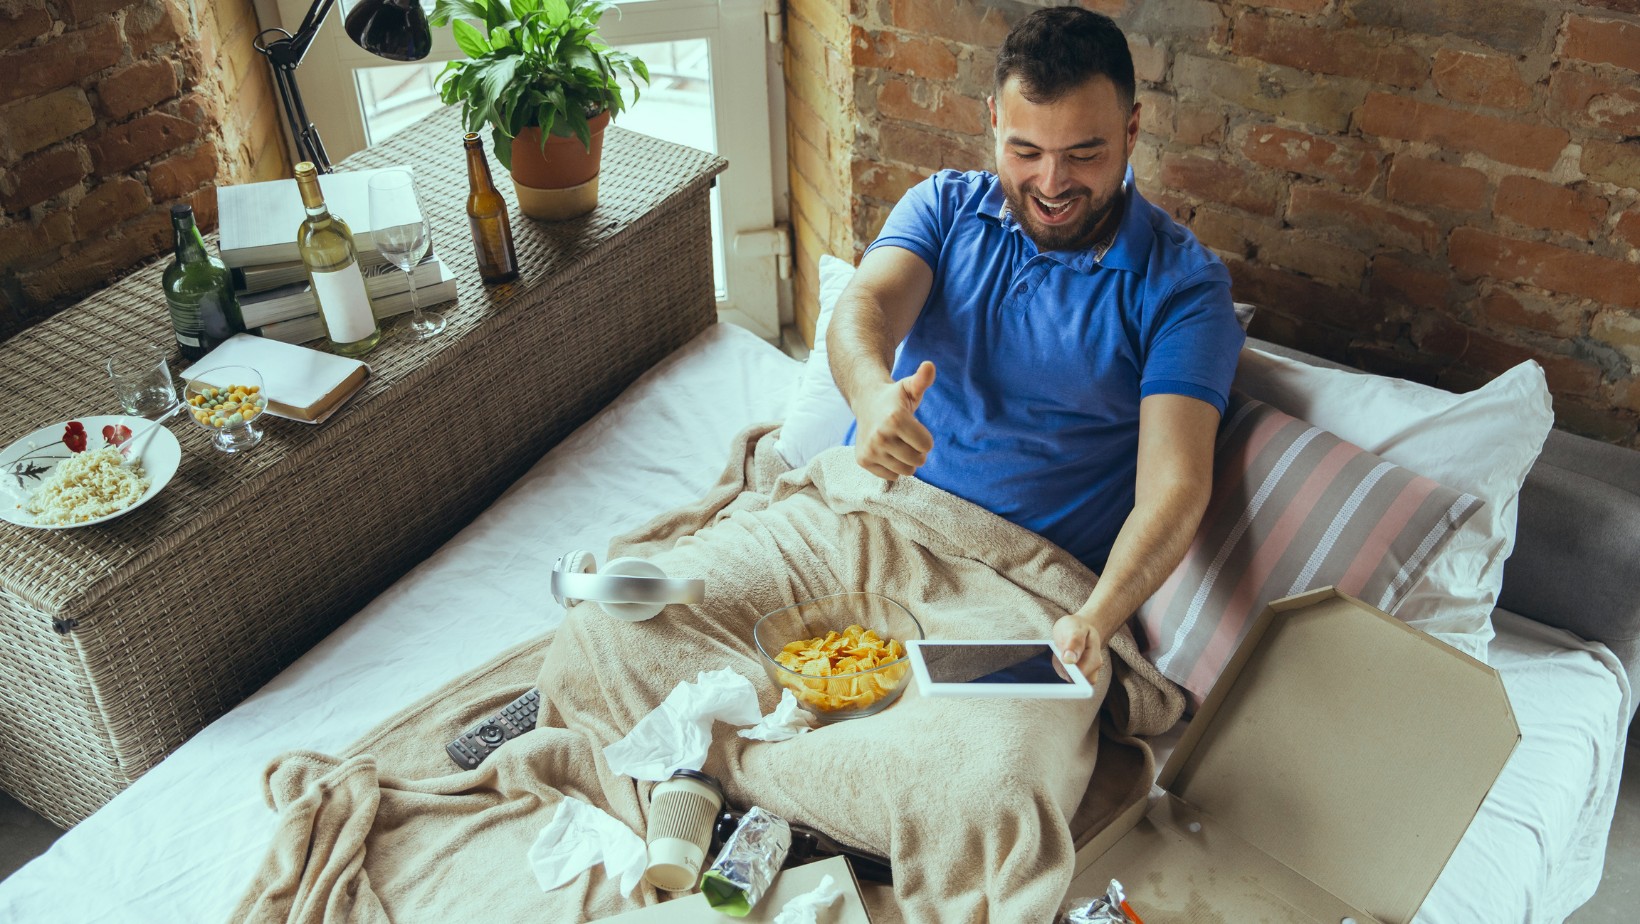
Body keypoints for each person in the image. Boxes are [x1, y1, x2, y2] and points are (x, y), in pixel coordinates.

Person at [827, 6, 1245, 685]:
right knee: (641, 621)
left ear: (1132, 129)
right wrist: (872, 396)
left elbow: (1175, 486)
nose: (1052, 185)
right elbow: (865, 305)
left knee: (987, 772)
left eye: (1084, 154)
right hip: (869, 517)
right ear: (993, 120)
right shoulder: (943, 207)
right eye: (1026, 152)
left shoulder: (1184, 290)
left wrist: (1096, 620)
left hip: (1024, 588)